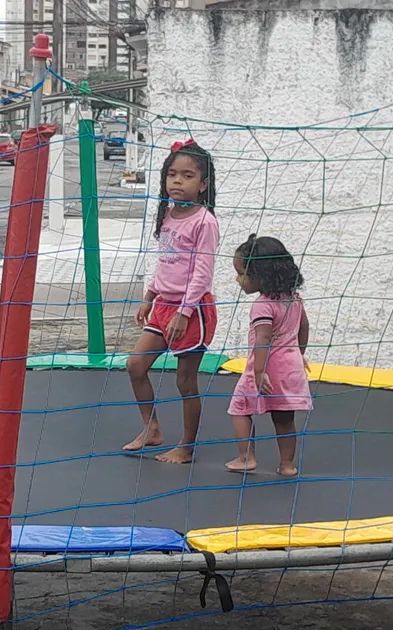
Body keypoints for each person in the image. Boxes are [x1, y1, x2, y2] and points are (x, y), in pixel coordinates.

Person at [122, 139, 219, 465]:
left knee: (184, 380)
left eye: (188, 176)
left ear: (203, 184)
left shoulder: (204, 222)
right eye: (172, 174)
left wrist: (184, 312)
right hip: (163, 306)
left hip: (191, 311)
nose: (178, 181)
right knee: (135, 365)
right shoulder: (167, 214)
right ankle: (152, 428)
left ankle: (187, 447)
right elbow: (164, 260)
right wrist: (150, 296)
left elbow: (202, 274)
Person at [225, 234, 312, 477]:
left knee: (239, 408)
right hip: (291, 368)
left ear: (260, 275)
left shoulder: (263, 305)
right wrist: (298, 353)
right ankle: (287, 465)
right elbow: (304, 328)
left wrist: (259, 371)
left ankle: (246, 457)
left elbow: (263, 339)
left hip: (264, 368)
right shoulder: (294, 299)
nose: (237, 279)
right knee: (284, 419)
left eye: (242, 274)